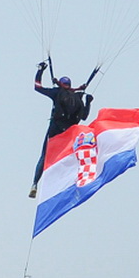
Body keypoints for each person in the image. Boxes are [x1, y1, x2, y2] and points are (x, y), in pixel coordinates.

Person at [29, 60, 93, 198]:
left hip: (55, 129)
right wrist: (88, 102)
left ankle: (35, 183)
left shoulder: (57, 92)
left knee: (44, 156)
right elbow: (84, 117)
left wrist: (40, 70)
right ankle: (72, 184)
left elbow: (37, 87)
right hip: (69, 133)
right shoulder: (78, 97)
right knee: (68, 158)